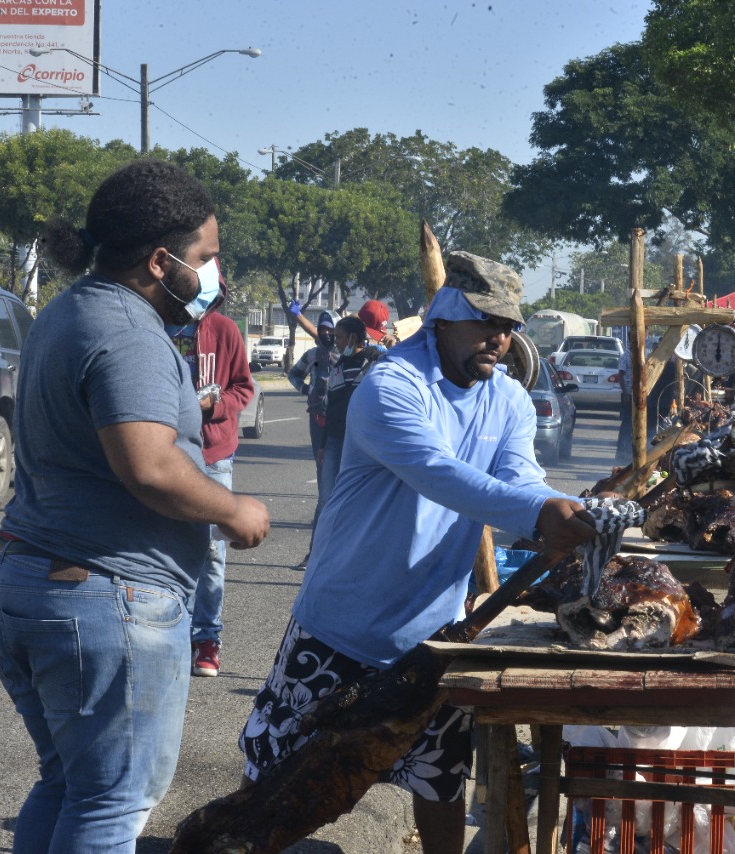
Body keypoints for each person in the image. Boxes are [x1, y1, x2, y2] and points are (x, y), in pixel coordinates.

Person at [239, 251, 599, 854]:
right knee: (276, 774)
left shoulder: (507, 399)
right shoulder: (389, 386)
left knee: (439, 782)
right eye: (486, 322)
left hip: (435, 633)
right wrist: (537, 514)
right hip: (339, 626)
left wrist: (562, 508)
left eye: (509, 327)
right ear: (444, 318)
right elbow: (439, 473)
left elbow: (520, 477)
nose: (500, 338)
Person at [0, 159, 270, 852]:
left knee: (68, 783)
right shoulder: (128, 332)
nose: (214, 273)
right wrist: (234, 510)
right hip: (103, 596)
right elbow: (151, 466)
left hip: (33, 574)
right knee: (114, 803)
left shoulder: (68, 310)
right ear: (163, 260)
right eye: (207, 258)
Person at [168, 271, 255, 677]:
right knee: (167, 543)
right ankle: (171, 632)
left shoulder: (225, 330)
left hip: (215, 453)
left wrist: (213, 404)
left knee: (212, 550)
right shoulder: (160, 325)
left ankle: (206, 637)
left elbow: (243, 389)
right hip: (167, 452)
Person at [314, 314, 384, 510]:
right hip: (335, 441)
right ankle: (322, 541)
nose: (336, 342)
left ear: (353, 338)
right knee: (326, 499)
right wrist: (323, 444)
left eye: (340, 337)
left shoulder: (375, 362)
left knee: (361, 500)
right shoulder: (338, 366)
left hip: (363, 442)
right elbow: (331, 408)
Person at [287, 306, 340, 526]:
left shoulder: (345, 353)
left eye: (330, 330)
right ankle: (324, 506)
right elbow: (294, 375)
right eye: (322, 330)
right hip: (318, 419)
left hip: (340, 420)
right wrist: (307, 390)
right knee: (322, 466)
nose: (326, 334)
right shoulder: (313, 354)